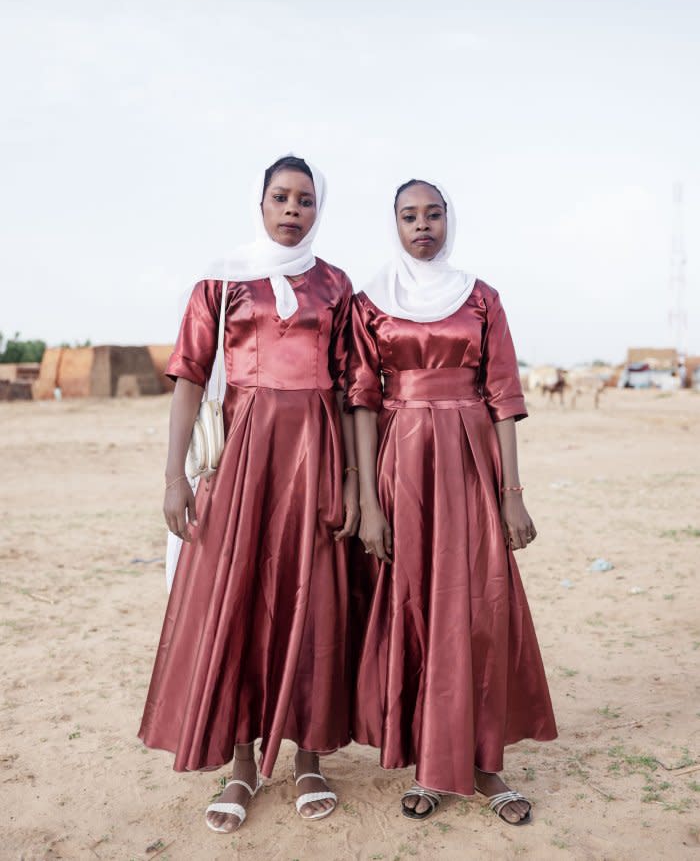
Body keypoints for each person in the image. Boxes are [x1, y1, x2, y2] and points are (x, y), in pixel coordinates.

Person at [139, 155, 359, 833]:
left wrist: (353, 478)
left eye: (305, 200)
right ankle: (241, 760)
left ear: (319, 208)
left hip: (317, 459)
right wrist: (175, 475)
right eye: (281, 197)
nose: (293, 210)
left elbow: (353, 389)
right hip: (243, 465)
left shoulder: (336, 285)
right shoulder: (223, 281)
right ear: (259, 203)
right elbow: (187, 379)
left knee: (312, 600)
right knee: (239, 601)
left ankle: (310, 755)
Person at [348, 179, 557, 825]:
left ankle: (487, 763)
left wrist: (512, 493)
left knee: (478, 608)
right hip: (401, 463)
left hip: (470, 461)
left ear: (449, 219)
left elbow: (504, 397)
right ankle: (431, 766)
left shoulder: (481, 296)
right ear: (394, 224)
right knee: (414, 607)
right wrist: (370, 504)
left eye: (433, 213)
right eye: (409, 215)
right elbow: (359, 396)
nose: (422, 225)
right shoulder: (369, 300)